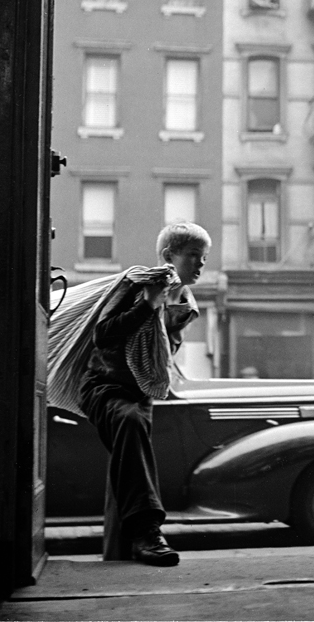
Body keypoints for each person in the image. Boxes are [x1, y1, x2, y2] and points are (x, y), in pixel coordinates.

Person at [78, 222, 210, 566]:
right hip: (103, 387)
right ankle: (147, 533)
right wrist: (148, 305)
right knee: (130, 422)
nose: (200, 265)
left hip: (140, 394)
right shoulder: (137, 284)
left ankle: (121, 552)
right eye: (193, 256)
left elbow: (158, 357)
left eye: (204, 258)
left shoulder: (185, 305)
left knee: (128, 457)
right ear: (169, 256)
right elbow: (103, 334)